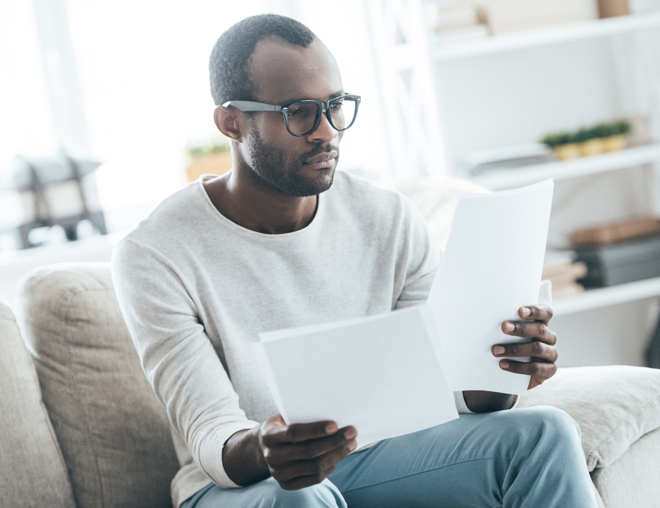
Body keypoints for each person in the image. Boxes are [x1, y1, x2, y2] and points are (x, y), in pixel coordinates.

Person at [112, 14, 597, 508]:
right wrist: (268, 448)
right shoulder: (154, 255)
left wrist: (503, 370)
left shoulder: (387, 217)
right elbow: (212, 434)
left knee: (545, 431)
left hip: (376, 458)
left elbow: (443, 387)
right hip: (239, 489)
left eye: (335, 106)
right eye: (299, 112)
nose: (327, 132)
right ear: (231, 122)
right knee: (301, 498)